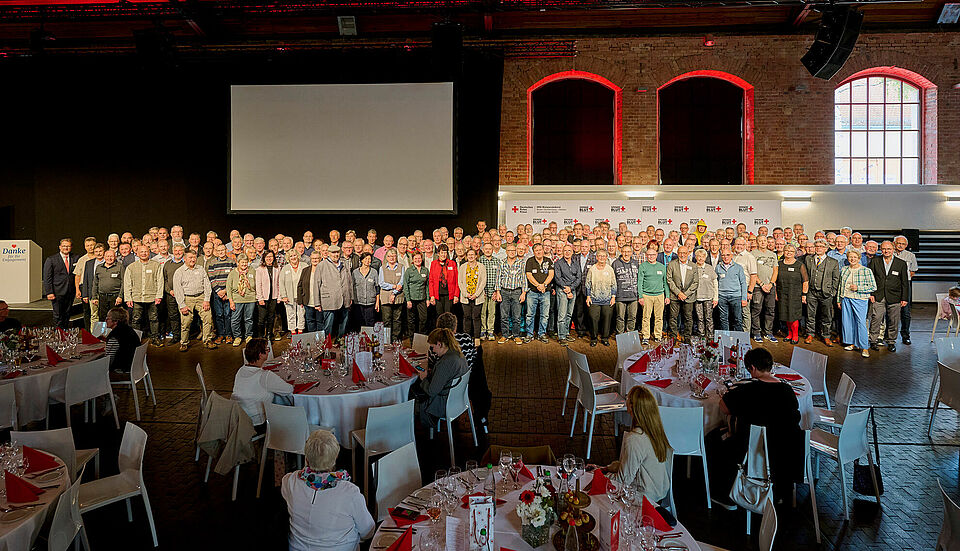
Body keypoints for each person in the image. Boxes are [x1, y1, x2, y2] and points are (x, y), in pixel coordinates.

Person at [712, 347, 803, 508]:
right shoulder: (788, 390)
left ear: (752, 368)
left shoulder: (748, 389)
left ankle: (726, 493)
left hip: (752, 448)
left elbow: (724, 408)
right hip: (784, 450)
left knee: (713, 438)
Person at [281, 429, 375, 551]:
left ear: (307, 458)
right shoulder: (350, 492)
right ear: (335, 458)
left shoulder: (290, 481)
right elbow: (368, 531)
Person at [593, 385, 671, 501]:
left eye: (627, 400)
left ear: (632, 407)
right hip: (659, 492)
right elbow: (632, 466)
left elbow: (622, 481)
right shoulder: (656, 430)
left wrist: (598, 475)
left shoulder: (634, 439)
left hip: (643, 497)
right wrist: (605, 468)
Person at [413, 327, 469, 427]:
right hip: (459, 401)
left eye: (433, 347)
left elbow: (431, 391)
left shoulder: (445, 363)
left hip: (443, 404)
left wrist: (424, 378)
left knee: (409, 399)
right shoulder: (458, 354)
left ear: (440, 344)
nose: (433, 350)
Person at [232, 338, 293, 428]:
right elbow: (289, 390)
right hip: (257, 423)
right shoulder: (264, 376)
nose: (268, 352)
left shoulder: (241, 370)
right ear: (260, 355)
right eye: (267, 350)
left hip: (237, 418)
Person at [868, 241, 909, 352]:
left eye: (889, 249)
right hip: (878, 295)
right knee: (876, 318)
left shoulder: (901, 263)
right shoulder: (875, 261)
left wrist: (904, 298)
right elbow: (870, 279)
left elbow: (905, 282)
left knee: (893, 320)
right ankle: (873, 340)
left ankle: (891, 342)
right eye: (884, 249)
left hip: (895, 296)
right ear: (881, 250)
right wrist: (871, 294)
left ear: (893, 249)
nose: (886, 251)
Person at [173, 250, 216, 351]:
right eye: (190, 257)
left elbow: (207, 285)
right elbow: (177, 290)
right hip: (187, 298)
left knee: (208, 319)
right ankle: (184, 343)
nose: (193, 259)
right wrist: (182, 305)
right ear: (184, 258)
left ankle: (207, 340)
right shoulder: (179, 272)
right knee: (186, 322)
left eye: (194, 257)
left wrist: (206, 300)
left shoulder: (200, 269)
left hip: (201, 297)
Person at [838, 250, 877, 358]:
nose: (852, 259)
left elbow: (873, 287)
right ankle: (852, 343)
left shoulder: (866, 270)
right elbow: (840, 286)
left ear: (859, 258)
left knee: (860, 322)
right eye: (850, 257)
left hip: (860, 299)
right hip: (846, 298)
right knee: (848, 322)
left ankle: (864, 347)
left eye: (855, 257)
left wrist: (858, 288)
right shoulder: (844, 269)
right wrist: (838, 299)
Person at [124, 244, 164, 345]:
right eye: (141, 252)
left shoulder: (156, 265)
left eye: (146, 251)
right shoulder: (131, 267)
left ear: (149, 252)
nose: (144, 253)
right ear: (137, 253)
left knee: (154, 318)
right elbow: (127, 283)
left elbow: (160, 281)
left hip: (152, 297)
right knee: (136, 319)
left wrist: (159, 296)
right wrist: (128, 298)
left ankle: (155, 338)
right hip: (136, 297)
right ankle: (135, 339)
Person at [803, 239, 840, 346]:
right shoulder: (808, 259)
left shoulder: (833, 262)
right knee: (810, 315)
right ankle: (810, 334)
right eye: (817, 246)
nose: (819, 248)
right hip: (811, 292)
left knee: (827, 316)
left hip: (826, 293)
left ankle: (826, 336)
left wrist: (832, 292)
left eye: (821, 246)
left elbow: (836, 279)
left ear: (826, 248)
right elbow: (805, 276)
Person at [316, 245, 354, 338]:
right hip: (329, 299)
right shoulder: (322, 265)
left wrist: (351, 297)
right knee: (328, 324)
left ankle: (340, 341)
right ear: (328, 253)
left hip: (345, 298)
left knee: (343, 323)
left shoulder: (344, 264)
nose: (335, 254)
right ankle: (326, 344)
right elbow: (316, 284)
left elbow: (350, 282)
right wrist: (317, 303)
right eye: (333, 252)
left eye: (337, 252)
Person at [43, 238, 79, 329]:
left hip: (70, 291)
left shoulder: (76, 258)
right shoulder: (51, 259)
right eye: (64, 246)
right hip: (57, 292)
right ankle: (58, 334)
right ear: (60, 247)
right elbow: (47, 278)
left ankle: (65, 334)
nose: (66, 248)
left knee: (67, 314)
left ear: (71, 247)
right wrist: (49, 292)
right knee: (58, 315)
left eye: (68, 246)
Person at [776, 244, 808, 344]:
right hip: (782, 294)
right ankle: (789, 334)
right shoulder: (779, 264)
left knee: (793, 315)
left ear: (795, 253)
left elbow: (805, 281)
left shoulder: (800, 265)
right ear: (783, 252)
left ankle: (795, 335)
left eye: (791, 251)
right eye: (786, 250)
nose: (789, 252)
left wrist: (804, 294)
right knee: (785, 315)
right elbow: (775, 280)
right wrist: (776, 293)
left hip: (795, 295)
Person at [585, 249, 617, 347]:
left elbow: (614, 284)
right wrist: (588, 297)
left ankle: (605, 338)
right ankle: (594, 338)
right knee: (594, 319)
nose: (602, 258)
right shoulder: (592, 269)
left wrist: (613, 297)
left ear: (606, 257)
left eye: (604, 256)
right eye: (600, 256)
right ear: (597, 257)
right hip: (594, 299)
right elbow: (587, 284)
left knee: (607, 320)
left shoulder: (610, 269)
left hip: (607, 299)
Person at [637, 248, 669, 345]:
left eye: (653, 255)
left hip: (660, 295)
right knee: (646, 317)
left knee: (659, 317)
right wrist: (640, 296)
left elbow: (665, 282)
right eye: (649, 255)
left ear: (656, 255)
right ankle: (646, 336)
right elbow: (640, 282)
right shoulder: (643, 266)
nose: (651, 257)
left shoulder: (662, 266)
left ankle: (657, 335)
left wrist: (667, 296)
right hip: (647, 295)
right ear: (646, 255)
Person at [666, 245, 698, 340]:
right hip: (675, 296)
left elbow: (695, 282)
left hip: (689, 297)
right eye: (680, 253)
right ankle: (673, 338)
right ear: (677, 254)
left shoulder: (693, 266)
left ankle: (687, 338)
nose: (682, 255)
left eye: (684, 253)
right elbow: (669, 280)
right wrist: (678, 293)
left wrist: (685, 294)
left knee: (688, 318)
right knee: (673, 318)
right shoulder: (672, 264)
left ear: (688, 254)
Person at [523, 243, 553, 343]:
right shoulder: (530, 261)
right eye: (537, 250)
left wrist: (544, 285)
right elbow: (529, 275)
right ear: (534, 252)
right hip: (532, 292)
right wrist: (538, 286)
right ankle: (529, 334)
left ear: (543, 250)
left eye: (540, 249)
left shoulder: (548, 261)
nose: (539, 252)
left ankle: (542, 334)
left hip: (546, 292)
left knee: (545, 315)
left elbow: (551, 275)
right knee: (530, 314)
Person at [751, 237, 779, 343]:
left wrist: (771, 284)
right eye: (760, 241)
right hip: (758, 287)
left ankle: (768, 332)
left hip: (770, 287)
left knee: (770, 310)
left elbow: (775, 271)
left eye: (765, 241)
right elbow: (752, 271)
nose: (763, 242)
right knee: (756, 310)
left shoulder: (773, 255)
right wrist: (761, 284)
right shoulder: (753, 254)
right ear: (757, 242)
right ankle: (756, 332)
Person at [553, 243, 581, 346]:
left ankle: (566, 333)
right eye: (565, 251)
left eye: (569, 250)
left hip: (572, 290)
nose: (567, 252)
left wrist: (571, 288)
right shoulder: (558, 263)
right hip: (562, 290)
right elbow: (558, 278)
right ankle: (561, 336)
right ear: (562, 252)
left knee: (569, 314)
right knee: (562, 314)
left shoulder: (576, 263)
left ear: (572, 252)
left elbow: (579, 278)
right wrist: (566, 289)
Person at [208, 244, 236, 344]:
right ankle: (220, 335)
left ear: (226, 250)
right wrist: (219, 291)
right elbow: (211, 278)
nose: (221, 252)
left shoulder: (232, 262)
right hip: (217, 293)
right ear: (216, 251)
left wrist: (226, 291)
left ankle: (228, 335)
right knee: (219, 315)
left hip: (228, 293)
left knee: (228, 314)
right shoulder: (212, 263)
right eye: (218, 250)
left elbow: (233, 278)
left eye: (222, 250)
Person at [227, 256, 258, 346]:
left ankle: (248, 336)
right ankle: (237, 337)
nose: (244, 264)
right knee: (235, 319)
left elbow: (255, 285)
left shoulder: (252, 271)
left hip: (250, 299)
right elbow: (228, 288)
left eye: (245, 262)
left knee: (249, 319)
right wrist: (231, 301)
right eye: (242, 262)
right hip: (237, 299)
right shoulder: (233, 273)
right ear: (238, 263)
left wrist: (248, 283)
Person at [894, 235, 918, 345]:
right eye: (898, 243)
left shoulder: (911, 255)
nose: (900, 245)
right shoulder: (890, 253)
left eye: (903, 244)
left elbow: (912, 272)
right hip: (891, 285)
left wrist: (903, 281)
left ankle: (905, 335)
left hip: (905, 284)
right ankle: (887, 336)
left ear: (906, 245)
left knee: (905, 311)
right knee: (889, 311)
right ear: (894, 243)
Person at [715, 248, 748, 331]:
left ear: (732, 255)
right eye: (723, 255)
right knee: (723, 319)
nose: (726, 257)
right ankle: (725, 339)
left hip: (736, 297)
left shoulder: (738, 267)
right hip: (722, 297)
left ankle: (738, 340)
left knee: (737, 319)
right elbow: (715, 283)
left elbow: (743, 283)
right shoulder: (718, 267)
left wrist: (744, 298)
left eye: (728, 255)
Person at [457, 248, 485, 343]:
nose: (471, 256)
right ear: (466, 256)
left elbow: (483, 282)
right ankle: (467, 338)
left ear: (476, 256)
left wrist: (476, 294)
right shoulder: (463, 267)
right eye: (469, 255)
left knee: (476, 317)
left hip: (478, 297)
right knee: (467, 317)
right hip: (466, 297)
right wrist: (466, 294)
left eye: (473, 254)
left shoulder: (481, 267)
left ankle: (477, 337)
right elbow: (460, 282)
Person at [378, 248, 405, 341]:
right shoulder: (382, 268)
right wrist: (393, 286)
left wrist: (394, 293)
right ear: (386, 257)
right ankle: (386, 341)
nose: (392, 258)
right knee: (386, 321)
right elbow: (381, 283)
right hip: (385, 298)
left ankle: (395, 341)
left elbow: (401, 283)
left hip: (398, 297)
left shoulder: (401, 267)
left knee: (397, 320)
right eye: (389, 256)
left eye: (394, 256)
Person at [612, 245, 639, 335]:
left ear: (631, 253)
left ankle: (630, 334)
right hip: (620, 295)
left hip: (633, 296)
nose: (626, 254)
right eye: (624, 252)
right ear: (621, 252)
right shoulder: (615, 263)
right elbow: (613, 280)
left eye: (628, 252)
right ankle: (620, 335)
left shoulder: (636, 263)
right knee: (620, 317)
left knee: (632, 317)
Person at [255, 250, 281, 341]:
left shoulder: (277, 268)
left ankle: (269, 334)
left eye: (271, 256)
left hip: (273, 297)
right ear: (264, 258)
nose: (269, 258)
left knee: (271, 317)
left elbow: (278, 283)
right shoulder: (259, 269)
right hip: (263, 297)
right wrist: (260, 298)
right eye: (267, 257)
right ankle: (261, 336)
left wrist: (279, 296)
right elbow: (258, 285)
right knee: (262, 318)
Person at [279, 249, 306, 336]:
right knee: (291, 316)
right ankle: (293, 335)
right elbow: (281, 283)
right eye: (291, 256)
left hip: (301, 296)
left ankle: (300, 334)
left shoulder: (304, 266)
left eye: (294, 255)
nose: (293, 257)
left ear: (297, 256)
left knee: (301, 315)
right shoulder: (285, 268)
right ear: (288, 258)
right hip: (289, 297)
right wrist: (283, 296)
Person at [403, 252, 430, 339]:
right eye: (415, 259)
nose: (417, 260)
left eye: (419, 258)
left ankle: (421, 339)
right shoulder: (409, 271)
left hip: (422, 298)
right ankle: (412, 340)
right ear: (413, 260)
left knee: (424, 319)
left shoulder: (425, 270)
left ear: (421, 260)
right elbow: (405, 285)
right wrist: (408, 300)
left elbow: (428, 285)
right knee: (411, 321)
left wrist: (428, 299)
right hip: (411, 299)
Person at [93, 249, 124, 322]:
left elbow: (124, 283)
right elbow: (95, 283)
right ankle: (104, 333)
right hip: (102, 297)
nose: (109, 258)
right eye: (107, 256)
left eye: (111, 256)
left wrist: (120, 296)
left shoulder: (120, 267)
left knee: (115, 318)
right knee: (102, 318)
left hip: (115, 297)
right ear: (104, 257)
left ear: (115, 257)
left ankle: (115, 333)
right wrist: (94, 297)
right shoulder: (99, 267)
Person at [478, 243, 501, 342]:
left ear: (492, 250)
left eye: (489, 249)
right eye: (486, 249)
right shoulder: (479, 261)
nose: (488, 250)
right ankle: (483, 330)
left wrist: (497, 291)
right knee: (482, 313)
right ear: (483, 250)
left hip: (493, 292)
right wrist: (480, 291)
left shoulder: (497, 261)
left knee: (492, 312)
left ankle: (490, 331)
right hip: (482, 292)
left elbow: (499, 277)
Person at [692, 248, 717, 337]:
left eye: (703, 256)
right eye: (699, 256)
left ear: (705, 257)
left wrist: (716, 298)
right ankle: (701, 335)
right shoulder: (692, 267)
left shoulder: (709, 268)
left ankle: (710, 335)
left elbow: (715, 283)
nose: (700, 258)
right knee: (700, 318)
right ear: (695, 257)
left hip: (708, 297)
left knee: (709, 318)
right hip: (697, 297)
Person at [428, 244, 459, 318]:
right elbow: (431, 280)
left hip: (449, 295)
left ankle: (448, 329)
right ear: (438, 253)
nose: (443, 255)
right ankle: (440, 329)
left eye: (445, 252)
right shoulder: (434, 264)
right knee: (439, 316)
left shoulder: (452, 263)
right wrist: (432, 295)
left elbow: (457, 280)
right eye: (442, 253)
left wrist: (456, 295)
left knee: (448, 315)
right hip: (438, 294)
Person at [351, 253, 379, 328]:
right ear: (362, 260)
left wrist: (377, 302)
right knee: (359, 321)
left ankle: (369, 338)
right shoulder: (355, 272)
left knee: (370, 321)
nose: (367, 260)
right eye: (365, 259)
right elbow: (352, 286)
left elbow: (377, 287)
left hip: (370, 302)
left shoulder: (374, 272)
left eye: (369, 259)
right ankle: (360, 338)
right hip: (358, 302)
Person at [297, 252, 323, 333]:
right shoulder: (305, 270)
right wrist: (300, 300)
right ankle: (312, 339)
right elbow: (300, 285)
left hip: (320, 302)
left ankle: (320, 340)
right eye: (313, 258)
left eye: (317, 258)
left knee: (320, 321)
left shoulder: (323, 270)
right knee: (310, 321)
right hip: (308, 301)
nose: (315, 260)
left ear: (320, 259)